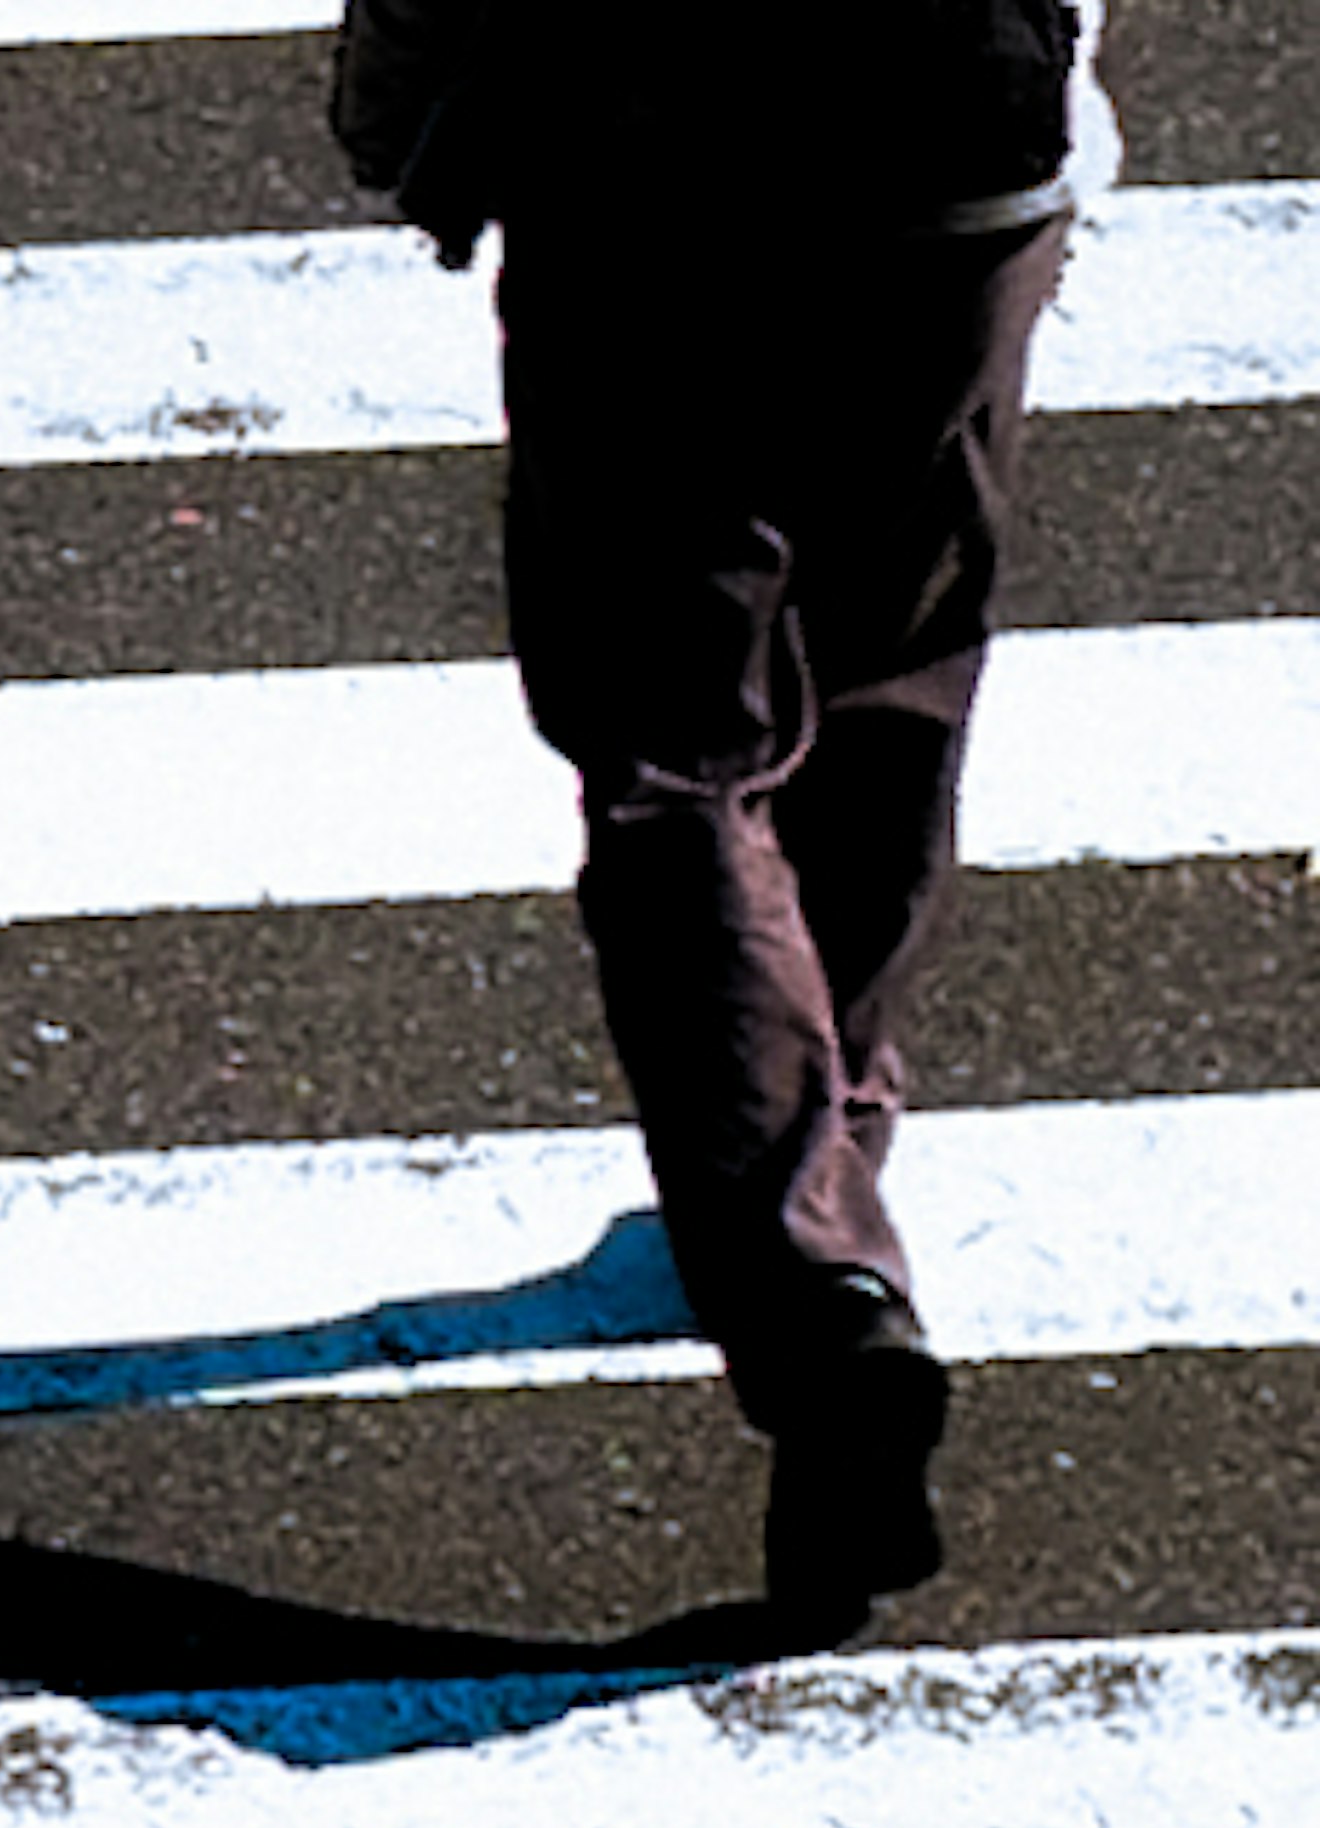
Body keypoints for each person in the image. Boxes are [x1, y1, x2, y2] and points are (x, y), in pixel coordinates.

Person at [327, 0, 1113, 1628]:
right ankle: (826, 1161)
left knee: (674, 748)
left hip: (648, 162)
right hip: (967, 150)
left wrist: (394, 116)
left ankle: (813, 1272)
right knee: (894, 682)